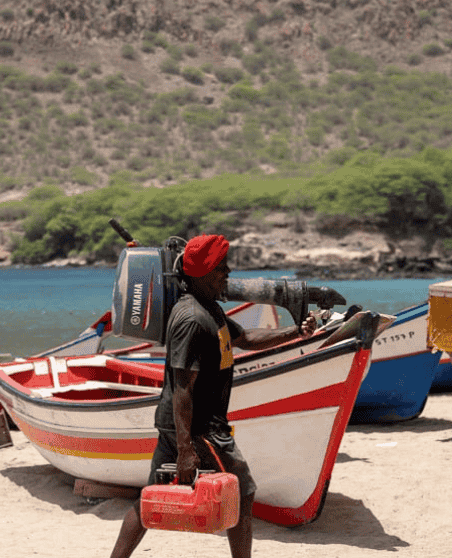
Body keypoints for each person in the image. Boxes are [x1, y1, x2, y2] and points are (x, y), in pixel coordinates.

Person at [110, 234, 317, 558]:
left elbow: (246, 338)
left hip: (188, 425)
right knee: (243, 491)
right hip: (199, 429)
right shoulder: (192, 320)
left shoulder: (210, 309)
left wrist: (297, 333)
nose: (228, 272)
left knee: (151, 496)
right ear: (201, 273)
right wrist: (185, 449)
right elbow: (182, 388)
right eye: (221, 268)